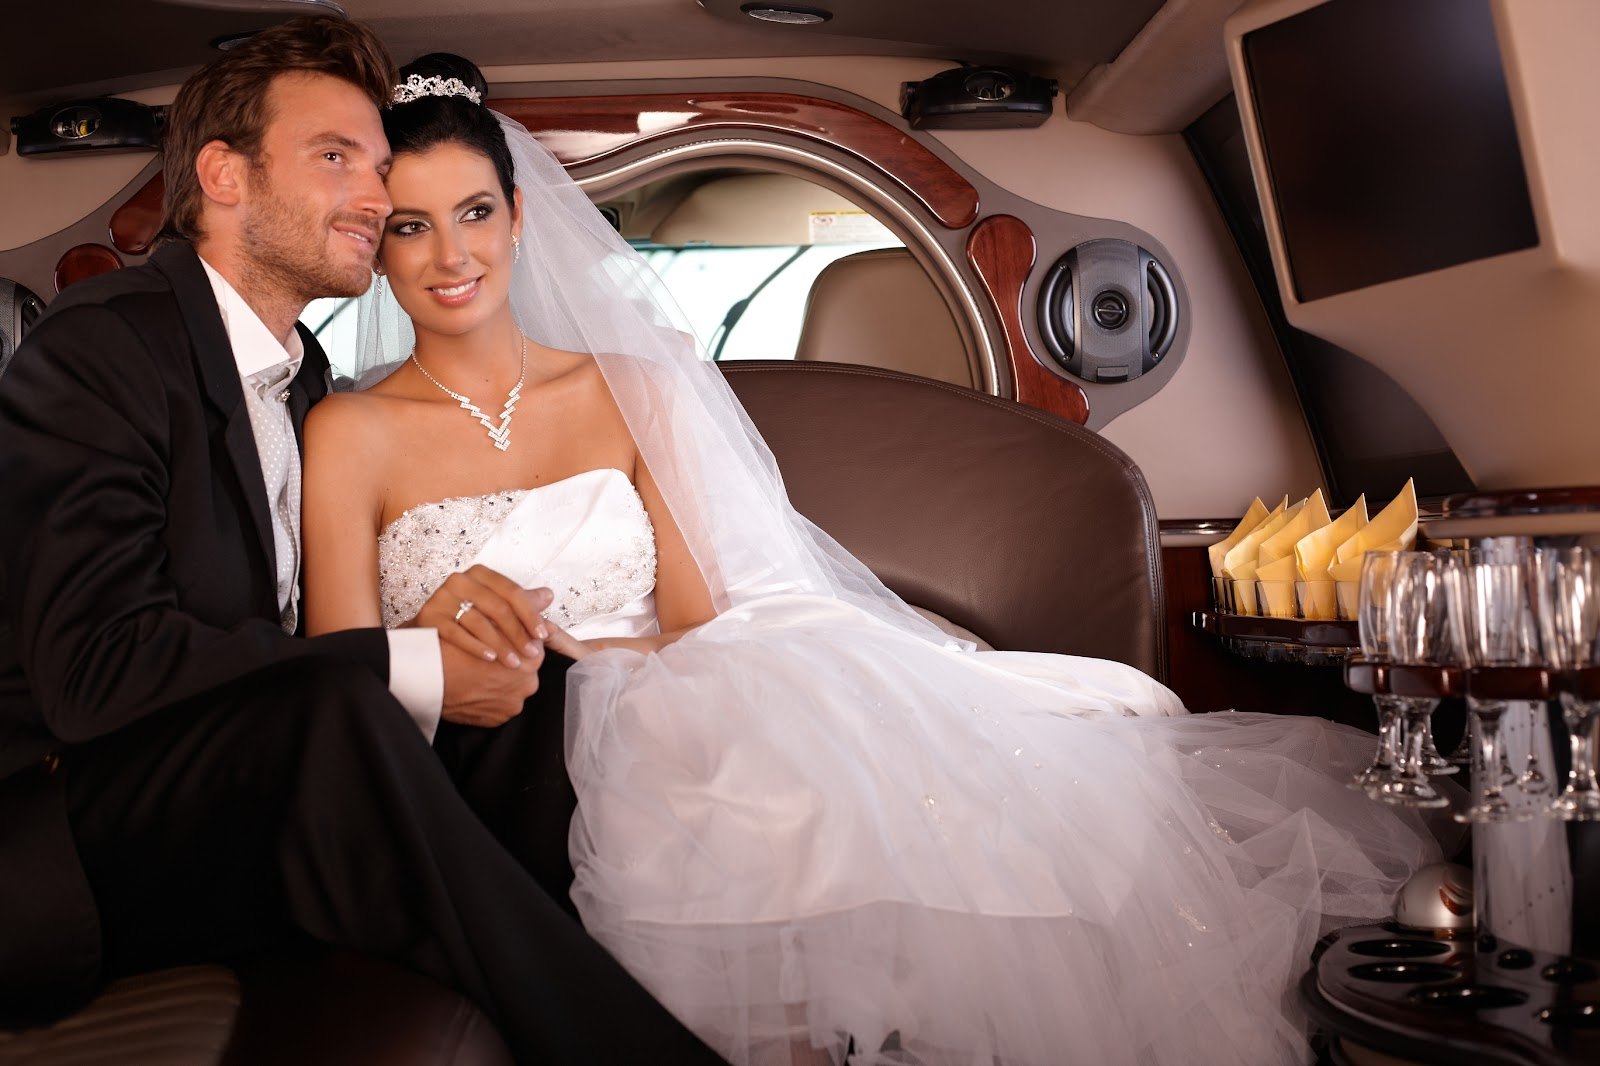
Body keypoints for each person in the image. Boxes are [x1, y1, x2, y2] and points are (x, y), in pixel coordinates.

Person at [308, 53, 1455, 1066]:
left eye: (470, 213)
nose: (449, 255)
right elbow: (337, 666)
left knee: (782, 777)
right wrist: (447, 636)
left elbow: (698, 616)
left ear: (515, 215)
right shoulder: (347, 432)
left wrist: (599, 662)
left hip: (646, 689)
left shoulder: (629, 383)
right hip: (483, 746)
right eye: (408, 226)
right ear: (375, 244)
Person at [0, 17, 725, 1065]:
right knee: (351, 699)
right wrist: (405, 654)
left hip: (232, 802)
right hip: (59, 842)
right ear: (225, 175)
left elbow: (295, 624)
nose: (378, 198)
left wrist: (455, 635)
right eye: (336, 158)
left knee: (543, 684)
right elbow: (95, 673)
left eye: (377, 167)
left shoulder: (307, 386)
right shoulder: (102, 351)